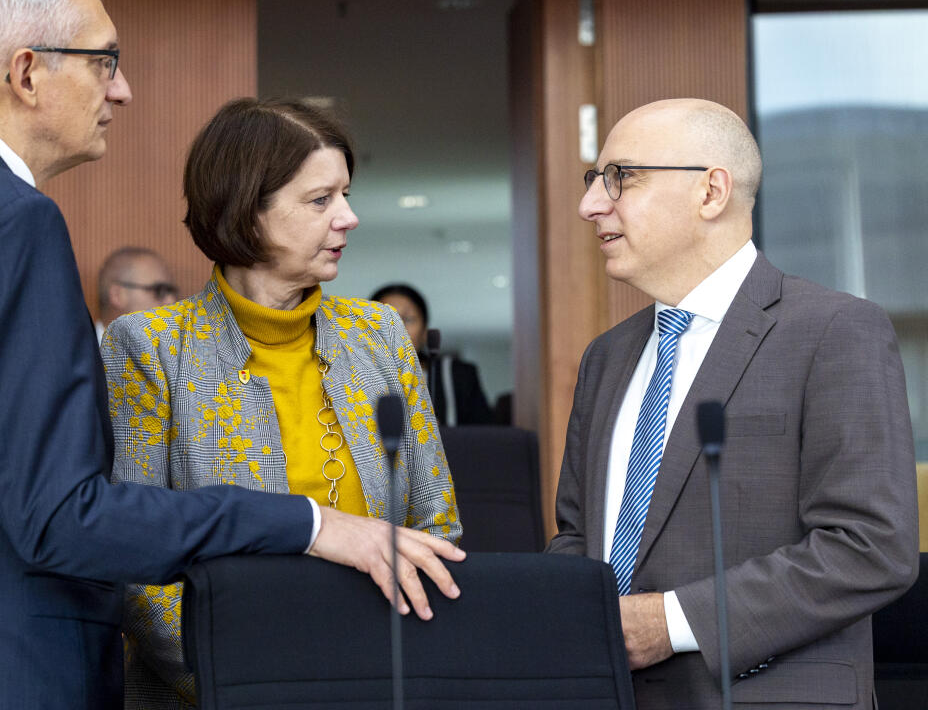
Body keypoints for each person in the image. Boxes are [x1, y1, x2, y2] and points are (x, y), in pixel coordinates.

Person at [0, 0, 463, 710]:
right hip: (11, 671)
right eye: (104, 60)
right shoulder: (12, 222)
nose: (121, 87)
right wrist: (311, 524)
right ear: (26, 73)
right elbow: (62, 514)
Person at [546, 97, 919, 708]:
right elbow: (576, 536)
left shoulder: (835, 331)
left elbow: (871, 546)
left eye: (621, 177)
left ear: (711, 191)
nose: (591, 205)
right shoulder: (606, 357)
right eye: (594, 181)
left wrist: (668, 622)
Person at [102, 98, 462, 708]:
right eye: (321, 200)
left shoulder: (377, 336)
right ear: (248, 211)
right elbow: (133, 560)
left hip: (380, 682)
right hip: (216, 689)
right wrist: (250, 685)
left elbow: (435, 526)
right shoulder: (149, 347)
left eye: (346, 194)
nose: (348, 217)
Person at [371, 283, 494, 425]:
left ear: (424, 331)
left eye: (407, 319)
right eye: (383, 319)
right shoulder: (349, 377)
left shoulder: (457, 375)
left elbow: (485, 439)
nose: (396, 327)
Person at [96, 246, 179, 340]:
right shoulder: (79, 351)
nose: (171, 301)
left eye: (171, 291)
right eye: (158, 290)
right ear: (117, 295)